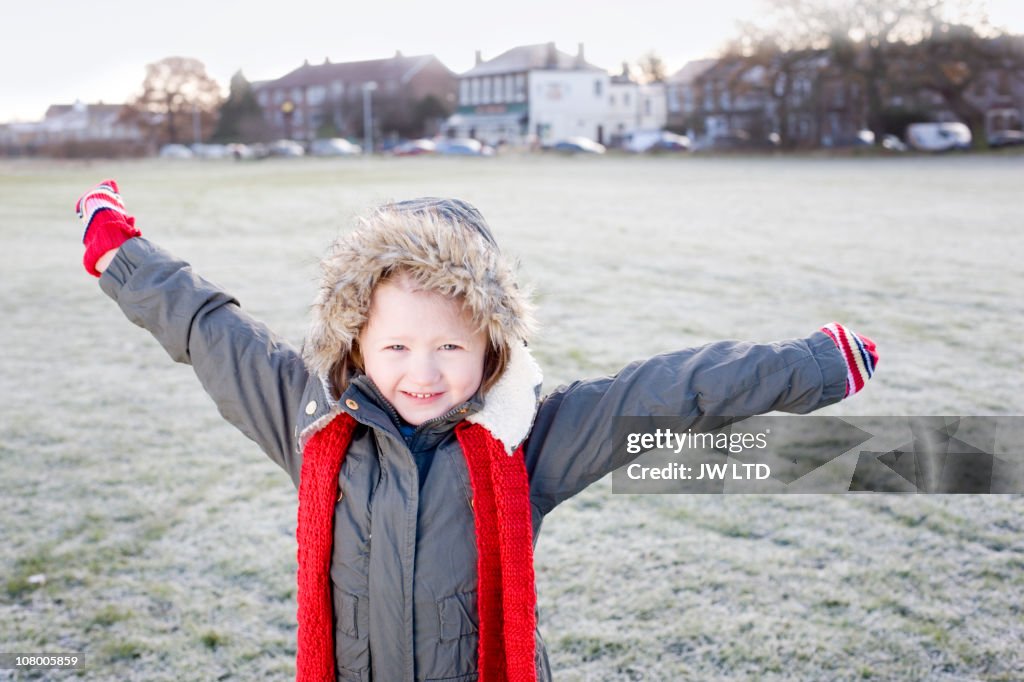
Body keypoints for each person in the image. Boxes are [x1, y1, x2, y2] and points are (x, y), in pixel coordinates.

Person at [75, 180, 878, 682]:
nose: (421, 371)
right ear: (355, 341)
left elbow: (673, 391)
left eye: (450, 347)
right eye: (394, 346)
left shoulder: (530, 439)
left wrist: (813, 365)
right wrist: (123, 255)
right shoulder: (311, 420)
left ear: (492, 344)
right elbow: (210, 331)